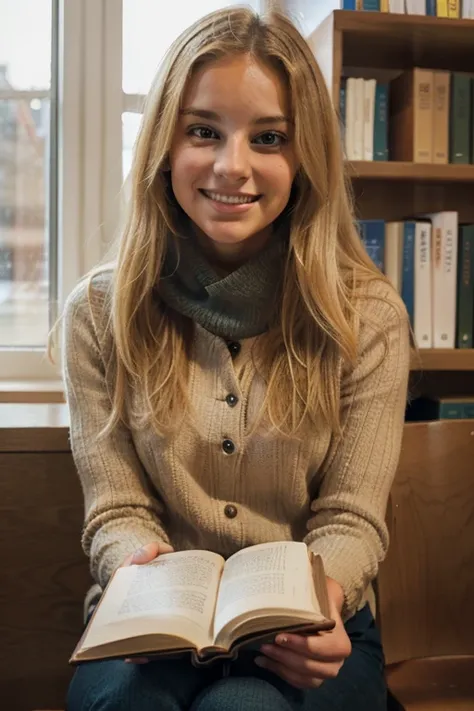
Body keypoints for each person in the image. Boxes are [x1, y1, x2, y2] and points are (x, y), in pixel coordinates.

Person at [63, 6, 410, 711]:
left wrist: (324, 598)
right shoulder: (98, 312)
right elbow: (116, 509)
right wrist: (136, 572)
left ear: (304, 153)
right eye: (203, 131)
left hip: (316, 622)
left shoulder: (367, 314)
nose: (232, 166)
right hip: (149, 624)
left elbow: (351, 518)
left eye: (270, 137)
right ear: (164, 142)